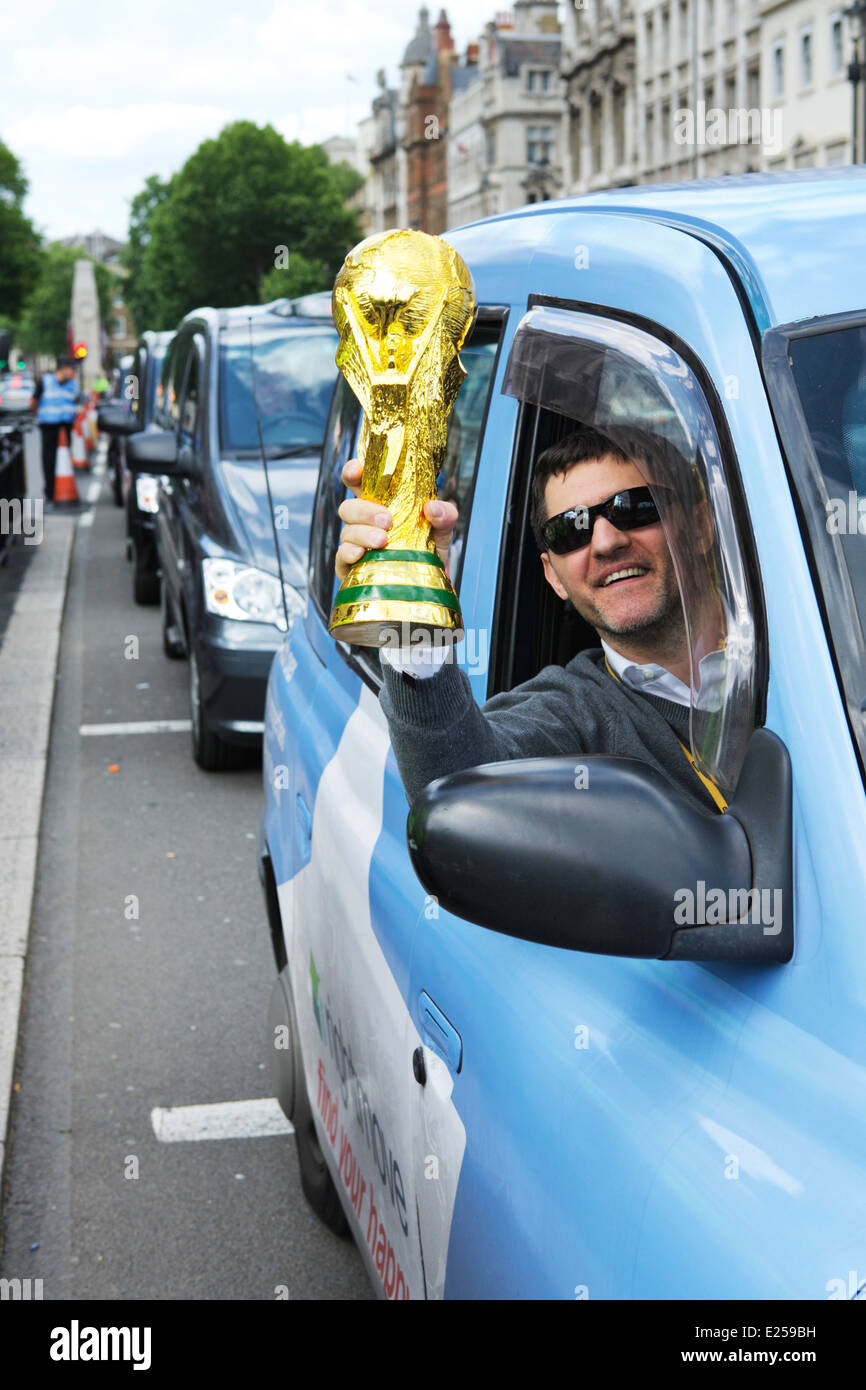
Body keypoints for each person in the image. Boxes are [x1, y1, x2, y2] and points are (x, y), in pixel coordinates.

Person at [335, 425, 733, 814]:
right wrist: (410, 599)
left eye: (633, 508)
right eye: (570, 530)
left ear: (700, 527)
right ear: (553, 576)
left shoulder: (790, 643)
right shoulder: (572, 716)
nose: (607, 542)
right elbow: (456, 791)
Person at [30, 357, 80, 503]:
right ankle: (50, 492)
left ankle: (65, 490)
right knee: (49, 461)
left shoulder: (73, 385)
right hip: (49, 427)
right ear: (64, 369)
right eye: (73, 370)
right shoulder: (45, 381)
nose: (74, 374)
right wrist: (38, 414)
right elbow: (34, 401)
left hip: (65, 428)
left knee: (65, 461)